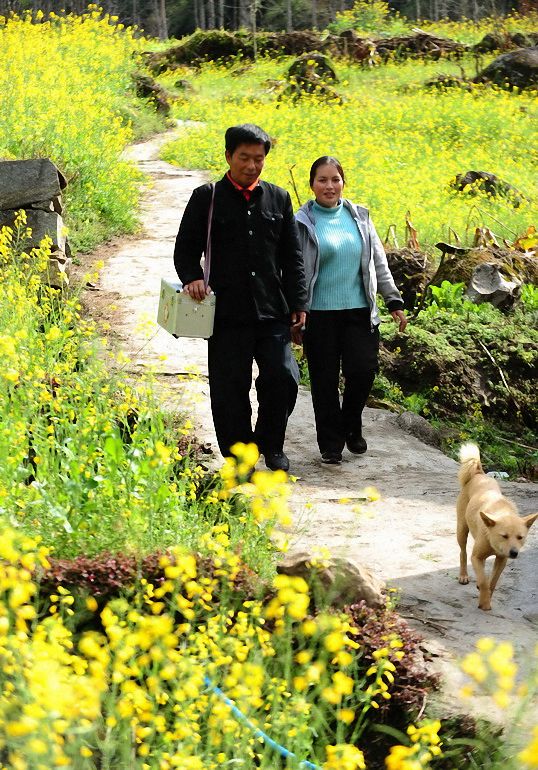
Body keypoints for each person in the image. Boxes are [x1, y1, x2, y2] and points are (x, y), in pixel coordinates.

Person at [174, 124, 307, 472]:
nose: (251, 165)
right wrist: (191, 279)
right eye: (244, 158)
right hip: (225, 313)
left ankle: (270, 443)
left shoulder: (279, 198)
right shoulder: (207, 196)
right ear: (228, 156)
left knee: (283, 377)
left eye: (258, 159)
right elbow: (184, 250)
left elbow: (292, 256)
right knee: (229, 388)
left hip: (271, 310)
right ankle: (239, 456)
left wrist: (299, 304)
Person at [295, 156, 407, 465]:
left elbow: (378, 264)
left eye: (335, 179)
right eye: (322, 180)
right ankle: (331, 444)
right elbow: (293, 270)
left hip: (359, 311)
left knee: (364, 370)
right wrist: (295, 309)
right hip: (319, 314)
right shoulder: (301, 222)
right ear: (312, 184)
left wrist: (393, 300)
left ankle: (351, 422)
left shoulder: (359, 217)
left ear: (343, 182)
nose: (329, 186)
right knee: (324, 382)